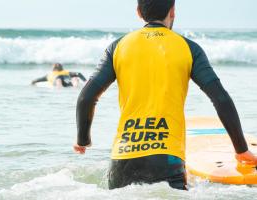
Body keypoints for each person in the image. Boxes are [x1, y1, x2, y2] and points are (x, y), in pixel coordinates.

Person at [73, 0, 257, 190]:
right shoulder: (189, 48)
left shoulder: (117, 47)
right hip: (167, 160)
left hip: (123, 160)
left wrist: (83, 139)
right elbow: (220, 99)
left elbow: (86, 98)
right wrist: (241, 150)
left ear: (138, 12)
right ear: (173, 11)